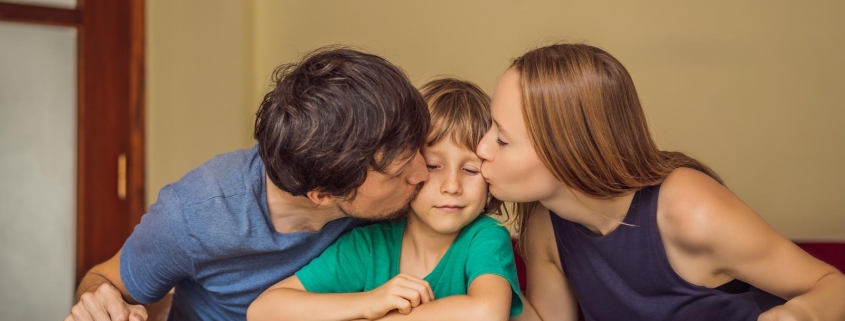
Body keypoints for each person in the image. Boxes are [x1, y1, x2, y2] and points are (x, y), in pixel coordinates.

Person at [474, 43, 845, 321]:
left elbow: (834, 286)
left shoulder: (688, 207)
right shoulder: (545, 224)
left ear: (568, 149)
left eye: (502, 139)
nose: (481, 148)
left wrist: (797, 316)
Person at [64, 47, 431, 321]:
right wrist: (102, 303)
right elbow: (103, 281)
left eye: (419, 148)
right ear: (323, 195)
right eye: (398, 173)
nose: (423, 173)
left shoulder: (403, 194)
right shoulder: (193, 214)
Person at [247, 78, 523, 321]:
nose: (452, 186)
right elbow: (264, 311)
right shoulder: (368, 245)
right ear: (406, 167)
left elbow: (486, 312)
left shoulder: (485, 238)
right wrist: (368, 302)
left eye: (471, 169)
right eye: (433, 166)